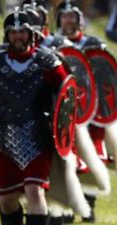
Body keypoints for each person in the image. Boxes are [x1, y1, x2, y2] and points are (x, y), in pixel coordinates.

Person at [0, 10, 72, 225]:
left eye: (22, 31)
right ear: (6, 35)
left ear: (31, 33)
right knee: (7, 199)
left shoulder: (48, 62)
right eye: (12, 32)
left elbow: (68, 97)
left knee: (34, 191)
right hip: (3, 137)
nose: (17, 36)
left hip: (37, 135)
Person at [56, 1, 115, 222]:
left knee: (90, 161)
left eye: (73, 16)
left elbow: (105, 77)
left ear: (79, 20)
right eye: (65, 16)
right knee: (67, 160)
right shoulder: (53, 45)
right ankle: (70, 207)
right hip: (65, 113)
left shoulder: (93, 44)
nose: (69, 20)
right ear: (60, 19)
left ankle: (89, 208)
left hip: (90, 113)